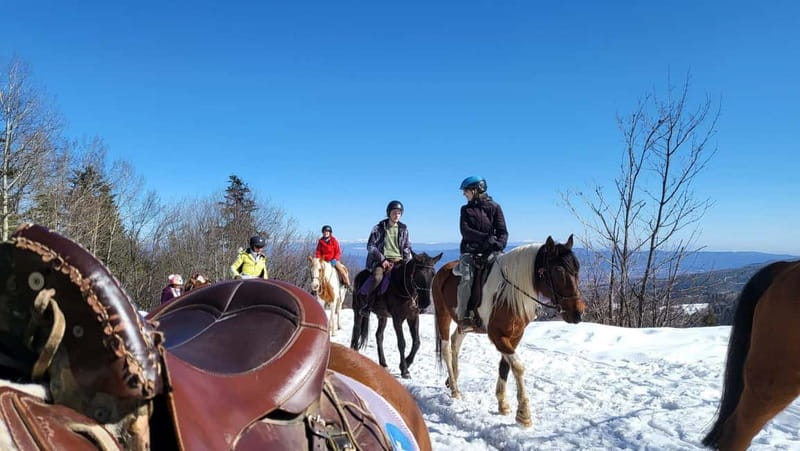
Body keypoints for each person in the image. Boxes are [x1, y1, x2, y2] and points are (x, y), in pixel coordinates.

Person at [455, 176, 508, 328]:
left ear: (476, 190)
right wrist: (487, 240)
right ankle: (463, 315)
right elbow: (466, 231)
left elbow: (503, 231)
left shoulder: (495, 207)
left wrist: (499, 245)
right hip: (470, 252)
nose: (464, 194)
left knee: (509, 272)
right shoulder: (465, 209)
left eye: (466, 191)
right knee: (467, 278)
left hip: (492, 251)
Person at [361, 200, 412, 315]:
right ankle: (368, 304)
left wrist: (407, 259)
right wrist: (382, 260)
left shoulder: (404, 229)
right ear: (389, 213)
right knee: (377, 277)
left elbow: (407, 246)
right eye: (394, 212)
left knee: (413, 277)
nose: (396, 215)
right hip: (381, 261)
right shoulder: (378, 228)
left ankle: (415, 304)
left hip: (399, 260)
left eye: (399, 213)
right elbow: (370, 246)